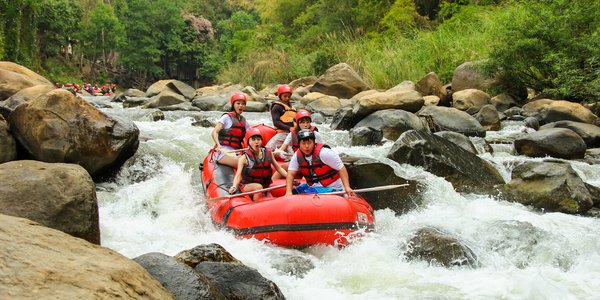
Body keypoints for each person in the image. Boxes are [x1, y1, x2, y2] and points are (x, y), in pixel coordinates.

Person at [285, 129, 354, 197]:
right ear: (299, 144)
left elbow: (341, 168)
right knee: (294, 192)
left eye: (309, 143)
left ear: (314, 142)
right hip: (313, 186)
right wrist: (288, 191)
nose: (306, 146)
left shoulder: (325, 153)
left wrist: (347, 187)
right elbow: (291, 173)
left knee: (304, 196)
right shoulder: (297, 156)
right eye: (303, 143)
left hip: (332, 189)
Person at [228, 128, 288, 201]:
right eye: (253, 140)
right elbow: (238, 175)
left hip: (265, 186)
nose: (256, 142)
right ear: (248, 142)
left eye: (258, 139)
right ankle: (256, 205)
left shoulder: (268, 153)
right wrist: (234, 186)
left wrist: (289, 177)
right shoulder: (244, 158)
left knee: (267, 196)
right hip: (247, 186)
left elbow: (279, 168)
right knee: (258, 187)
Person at [211, 92, 250, 168]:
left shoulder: (244, 121)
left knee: (252, 163)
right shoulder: (226, 117)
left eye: (243, 104)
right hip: (224, 151)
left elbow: (250, 135)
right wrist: (218, 146)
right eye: (238, 103)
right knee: (243, 164)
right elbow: (214, 132)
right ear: (233, 105)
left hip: (237, 151)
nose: (241, 105)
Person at [266, 84, 296, 150]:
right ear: (280, 96)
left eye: (289, 96)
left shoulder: (293, 108)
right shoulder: (277, 107)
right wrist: (289, 128)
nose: (287, 98)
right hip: (283, 133)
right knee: (268, 148)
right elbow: (276, 122)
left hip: (292, 135)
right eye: (285, 96)